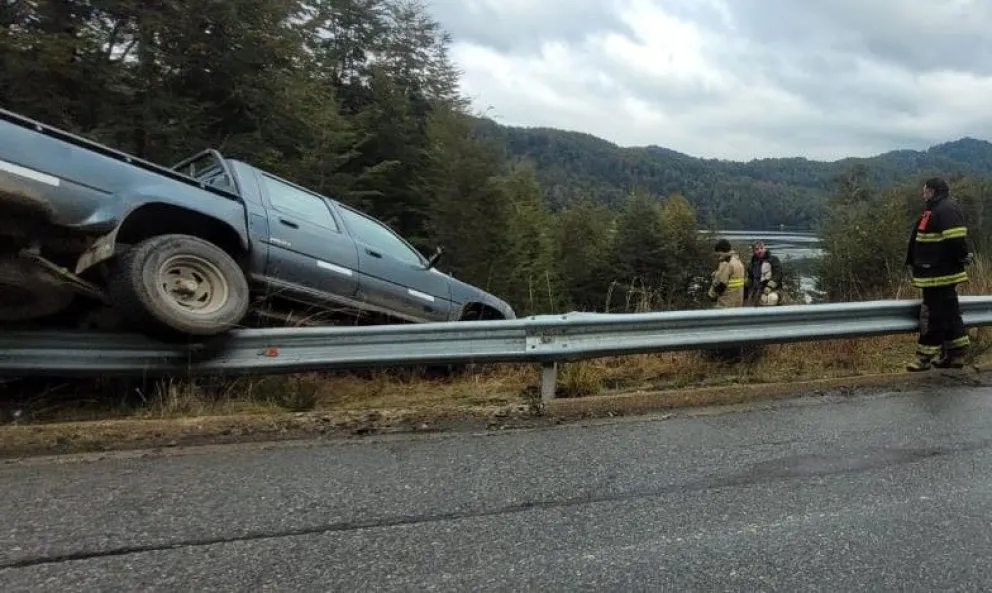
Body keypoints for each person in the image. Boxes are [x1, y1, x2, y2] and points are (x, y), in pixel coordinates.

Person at [905, 177, 973, 371]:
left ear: (933, 190)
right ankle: (955, 355)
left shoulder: (945, 209)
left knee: (933, 315)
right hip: (933, 272)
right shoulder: (936, 209)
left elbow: (956, 240)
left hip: (938, 274)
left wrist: (961, 258)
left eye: (925, 189)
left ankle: (924, 357)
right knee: (950, 313)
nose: (923, 193)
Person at [707, 239, 746, 308]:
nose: (718, 256)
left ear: (722, 251)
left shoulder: (726, 263)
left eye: (718, 253)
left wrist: (712, 295)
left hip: (725, 302)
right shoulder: (738, 261)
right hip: (738, 301)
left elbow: (721, 284)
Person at [744, 240, 784, 306]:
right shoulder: (752, 263)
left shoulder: (773, 259)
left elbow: (778, 274)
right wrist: (745, 287)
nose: (760, 251)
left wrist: (769, 286)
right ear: (753, 251)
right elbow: (750, 277)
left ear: (765, 248)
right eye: (757, 249)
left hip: (774, 289)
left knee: (772, 298)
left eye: (762, 248)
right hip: (758, 290)